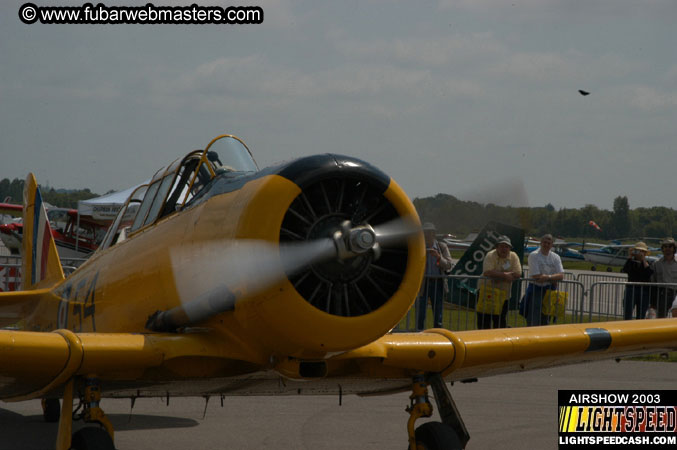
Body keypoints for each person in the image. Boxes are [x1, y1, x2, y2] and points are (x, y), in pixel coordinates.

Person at [477, 236, 522, 329]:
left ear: (510, 248)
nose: (504, 249)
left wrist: (497, 276)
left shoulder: (514, 256)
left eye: (506, 246)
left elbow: (518, 273)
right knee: (484, 321)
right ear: (496, 247)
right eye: (501, 246)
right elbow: (487, 272)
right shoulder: (490, 255)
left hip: (504, 295)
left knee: (500, 321)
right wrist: (505, 275)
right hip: (487, 292)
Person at [520, 234, 564, 326]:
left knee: (546, 317)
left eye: (549, 243)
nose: (546, 245)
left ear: (552, 244)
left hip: (550, 290)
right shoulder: (534, 255)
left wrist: (548, 278)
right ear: (541, 242)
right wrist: (553, 278)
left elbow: (561, 275)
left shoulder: (556, 257)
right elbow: (536, 276)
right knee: (533, 317)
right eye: (544, 242)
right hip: (536, 289)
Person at [416, 222, 452, 331]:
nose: (427, 235)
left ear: (434, 234)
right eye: (425, 233)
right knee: (420, 314)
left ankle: (437, 336)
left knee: (438, 315)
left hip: (438, 283)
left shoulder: (442, 247)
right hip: (423, 284)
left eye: (430, 233)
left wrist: (438, 257)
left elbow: (449, 265)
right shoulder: (418, 247)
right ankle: (419, 335)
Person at [621, 242, 653, 320]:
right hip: (631, 289)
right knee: (627, 313)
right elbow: (625, 270)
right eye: (638, 251)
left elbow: (649, 273)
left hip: (644, 291)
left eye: (642, 251)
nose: (640, 253)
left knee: (641, 315)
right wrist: (630, 257)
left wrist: (643, 260)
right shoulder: (631, 262)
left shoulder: (647, 263)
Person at [650, 237, 677, 318]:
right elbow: (653, 281)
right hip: (662, 293)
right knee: (661, 317)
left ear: (674, 248)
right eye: (665, 246)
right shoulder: (657, 263)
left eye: (670, 246)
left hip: (676, 293)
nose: (667, 249)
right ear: (662, 249)